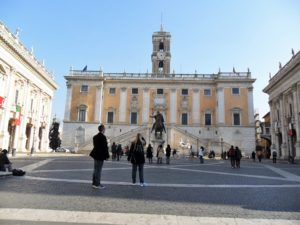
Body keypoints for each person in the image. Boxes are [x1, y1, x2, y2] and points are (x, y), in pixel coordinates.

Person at [89, 124, 109, 189]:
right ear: (102, 129)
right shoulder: (103, 137)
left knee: (95, 169)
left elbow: (96, 146)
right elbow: (105, 148)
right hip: (100, 156)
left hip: (95, 155)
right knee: (99, 170)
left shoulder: (95, 137)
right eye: (104, 129)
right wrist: (107, 156)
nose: (105, 130)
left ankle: (94, 183)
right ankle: (97, 184)